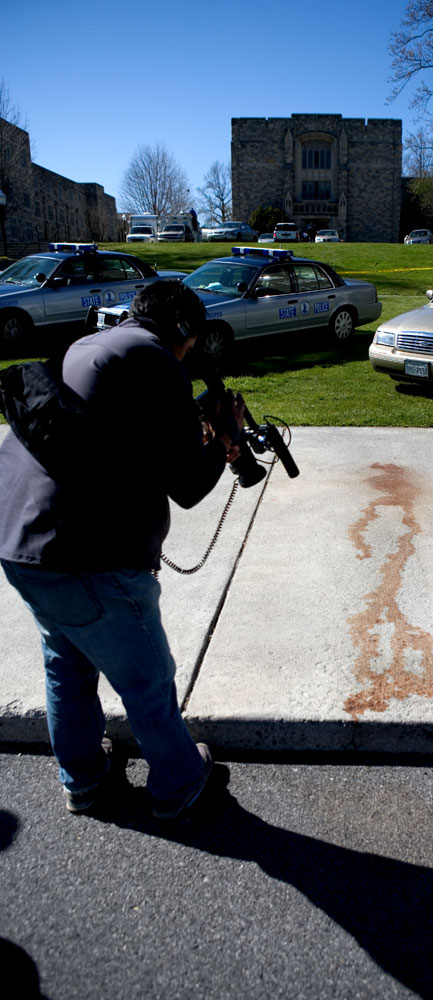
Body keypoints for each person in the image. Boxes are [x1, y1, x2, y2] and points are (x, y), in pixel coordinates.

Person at [0, 281, 243, 818]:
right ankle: (180, 782)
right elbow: (188, 486)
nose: (190, 354)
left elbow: (114, 441)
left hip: (18, 539)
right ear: (182, 329)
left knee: (66, 663)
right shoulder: (153, 357)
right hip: (86, 557)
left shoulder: (92, 344)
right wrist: (225, 437)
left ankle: (83, 780)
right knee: (147, 679)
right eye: (192, 341)